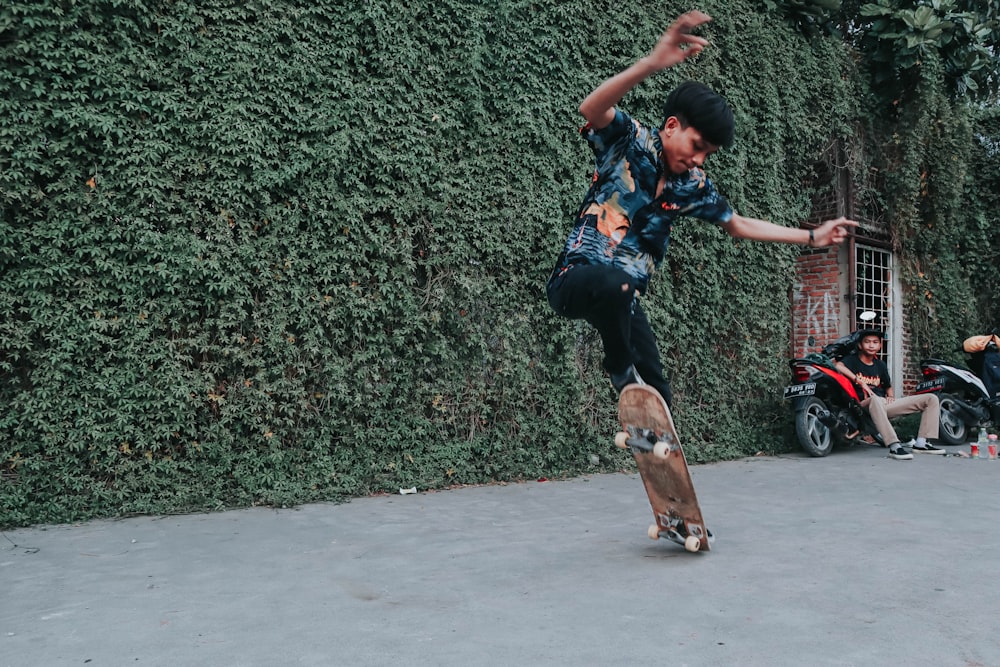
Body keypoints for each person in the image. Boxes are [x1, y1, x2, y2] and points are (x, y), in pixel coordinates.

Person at [546, 11, 857, 406]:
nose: (699, 161)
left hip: (622, 301)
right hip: (573, 281)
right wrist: (651, 64)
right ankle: (621, 373)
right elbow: (592, 110)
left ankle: (652, 446)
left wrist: (813, 236)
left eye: (707, 154)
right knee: (616, 283)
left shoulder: (691, 186)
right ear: (672, 126)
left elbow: (738, 223)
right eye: (697, 147)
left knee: (659, 392)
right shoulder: (628, 142)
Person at [835, 329, 944, 460]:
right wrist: (859, 381)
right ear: (860, 345)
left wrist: (891, 396)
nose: (871, 345)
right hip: (864, 404)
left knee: (931, 399)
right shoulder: (853, 360)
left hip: (883, 403)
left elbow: (887, 386)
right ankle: (894, 446)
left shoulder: (880, 364)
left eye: (875, 342)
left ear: (880, 345)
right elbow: (838, 366)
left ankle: (921, 443)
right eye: (867, 342)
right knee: (875, 400)